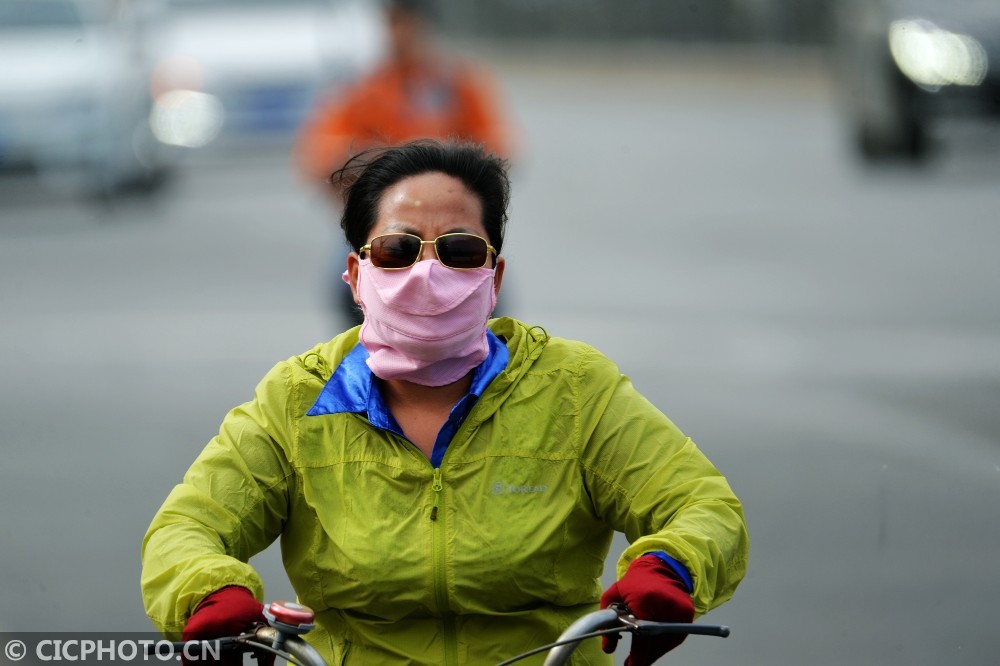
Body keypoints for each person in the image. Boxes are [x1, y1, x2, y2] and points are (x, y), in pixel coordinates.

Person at [141, 141, 749, 666]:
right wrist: (208, 591)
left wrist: (672, 566)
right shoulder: (296, 399)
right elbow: (186, 528)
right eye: (397, 251)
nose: (426, 273)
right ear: (354, 275)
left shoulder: (575, 389)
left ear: (495, 276)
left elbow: (702, 505)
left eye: (458, 250)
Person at [292, 0, 516, 325]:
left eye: (405, 22)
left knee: (486, 292)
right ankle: (371, 363)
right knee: (348, 292)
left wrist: (449, 166)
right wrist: (368, 162)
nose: (397, 32)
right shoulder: (362, 86)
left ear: (425, 26)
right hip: (384, 217)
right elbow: (317, 154)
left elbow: (500, 147)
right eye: (390, 22)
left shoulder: (455, 84)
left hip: (446, 215)